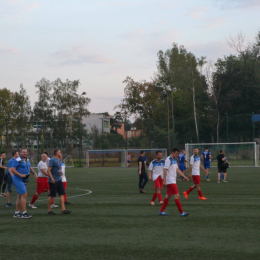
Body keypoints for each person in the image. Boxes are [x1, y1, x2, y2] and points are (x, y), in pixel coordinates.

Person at [159, 147, 189, 217]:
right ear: (172, 152)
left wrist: (184, 176)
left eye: (177, 154)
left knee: (168, 196)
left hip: (172, 180)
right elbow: (165, 170)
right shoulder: (168, 159)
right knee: (177, 195)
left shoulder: (174, 160)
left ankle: (161, 211)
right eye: (176, 153)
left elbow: (177, 170)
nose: (177, 155)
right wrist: (165, 181)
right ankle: (181, 212)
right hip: (170, 181)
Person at [11, 149, 37, 218]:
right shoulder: (17, 160)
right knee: (24, 194)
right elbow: (12, 169)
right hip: (18, 179)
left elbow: (30, 167)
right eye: (23, 152)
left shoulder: (27, 160)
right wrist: (20, 175)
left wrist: (34, 173)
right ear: (20, 153)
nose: (25, 153)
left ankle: (17, 213)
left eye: (26, 152)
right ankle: (24, 213)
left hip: (25, 179)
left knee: (20, 196)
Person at [47, 149, 71, 215]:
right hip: (53, 181)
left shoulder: (58, 160)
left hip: (59, 179)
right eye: (60, 152)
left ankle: (63, 209)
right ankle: (49, 210)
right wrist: (52, 179)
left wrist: (59, 173)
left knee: (62, 193)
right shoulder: (52, 160)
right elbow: (48, 170)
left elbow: (57, 169)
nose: (60, 153)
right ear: (56, 153)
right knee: (51, 195)